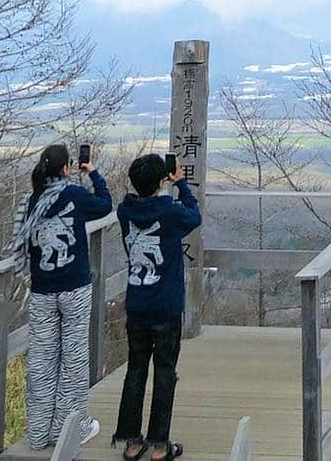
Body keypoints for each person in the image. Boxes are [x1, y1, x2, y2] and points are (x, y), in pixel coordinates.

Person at [9, 142, 112, 449]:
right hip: (75, 289)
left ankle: (39, 432)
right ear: (67, 168)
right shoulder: (74, 195)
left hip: (42, 291)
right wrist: (93, 174)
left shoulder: (31, 201)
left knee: (41, 361)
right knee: (74, 359)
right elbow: (105, 204)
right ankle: (71, 430)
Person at [113, 153, 201, 461]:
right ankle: (161, 445)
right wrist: (181, 184)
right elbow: (194, 215)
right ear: (162, 180)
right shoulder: (169, 211)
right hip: (165, 305)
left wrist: (163, 184)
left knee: (135, 371)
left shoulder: (125, 211)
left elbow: (137, 204)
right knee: (165, 372)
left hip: (137, 303)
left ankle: (132, 442)